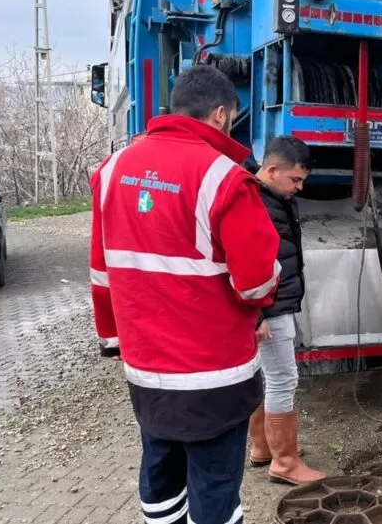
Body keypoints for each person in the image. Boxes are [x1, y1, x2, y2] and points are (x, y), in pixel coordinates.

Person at [89, 64, 281, 524]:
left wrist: (115, 340)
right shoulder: (225, 178)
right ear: (220, 115)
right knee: (215, 488)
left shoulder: (112, 170)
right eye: (232, 117)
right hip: (213, 376)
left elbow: (102, 271)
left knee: (160, 475)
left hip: (147, 370)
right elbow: (255, 281)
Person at [241, 135, 327, 485]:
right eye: (295, 179)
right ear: (272, 170)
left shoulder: (269, 197)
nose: (300, 187)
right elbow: (240, 260)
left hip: (274, 302)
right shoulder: (253, 202)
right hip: (269, 305)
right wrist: (257, 314)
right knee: (282, 379)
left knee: (266, 377)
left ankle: (263, 447)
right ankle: (286, 463)